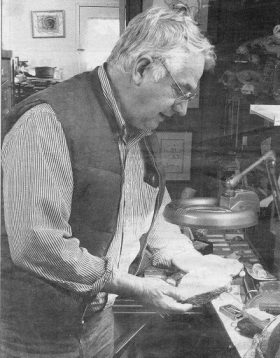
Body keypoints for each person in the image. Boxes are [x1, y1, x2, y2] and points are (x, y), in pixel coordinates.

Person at [1, 6, 243, 358]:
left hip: (97, 321)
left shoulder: (140, 127)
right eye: (181, 91)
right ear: (143, 68)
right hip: (35, 333)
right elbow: (39, 244)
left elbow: (153, 215)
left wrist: (193, 261)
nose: (182, 110)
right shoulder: (48, 121)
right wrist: (138, 287)